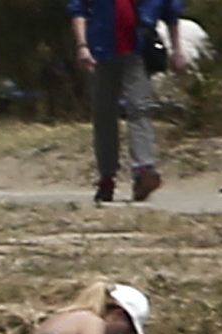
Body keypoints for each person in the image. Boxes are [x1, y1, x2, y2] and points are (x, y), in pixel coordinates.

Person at [71, 0, 158, 202]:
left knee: (140, 108)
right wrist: (82, 45)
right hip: (102, 50)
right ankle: (107, 176)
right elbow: (78, 10)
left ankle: (144, 171)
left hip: (136, 50)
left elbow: (165, 8)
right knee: (104, 114)